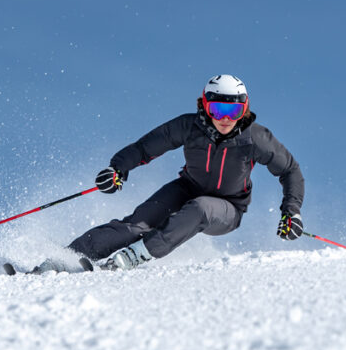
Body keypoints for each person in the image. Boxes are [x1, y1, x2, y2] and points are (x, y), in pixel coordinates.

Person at [33, 74, 305, 273]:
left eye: (233, 110)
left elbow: (290, 170)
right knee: (136, 224)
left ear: (243, 110)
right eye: (217, 109)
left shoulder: (255, 138)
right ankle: (63, 259)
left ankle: (136, 256)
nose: (225, 118)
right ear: (205, 107)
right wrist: (117, 169)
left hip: (229, 208)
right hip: (186, 188)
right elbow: (145, 147)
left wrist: (291, 212)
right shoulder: (190, 126)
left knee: (200, 209)